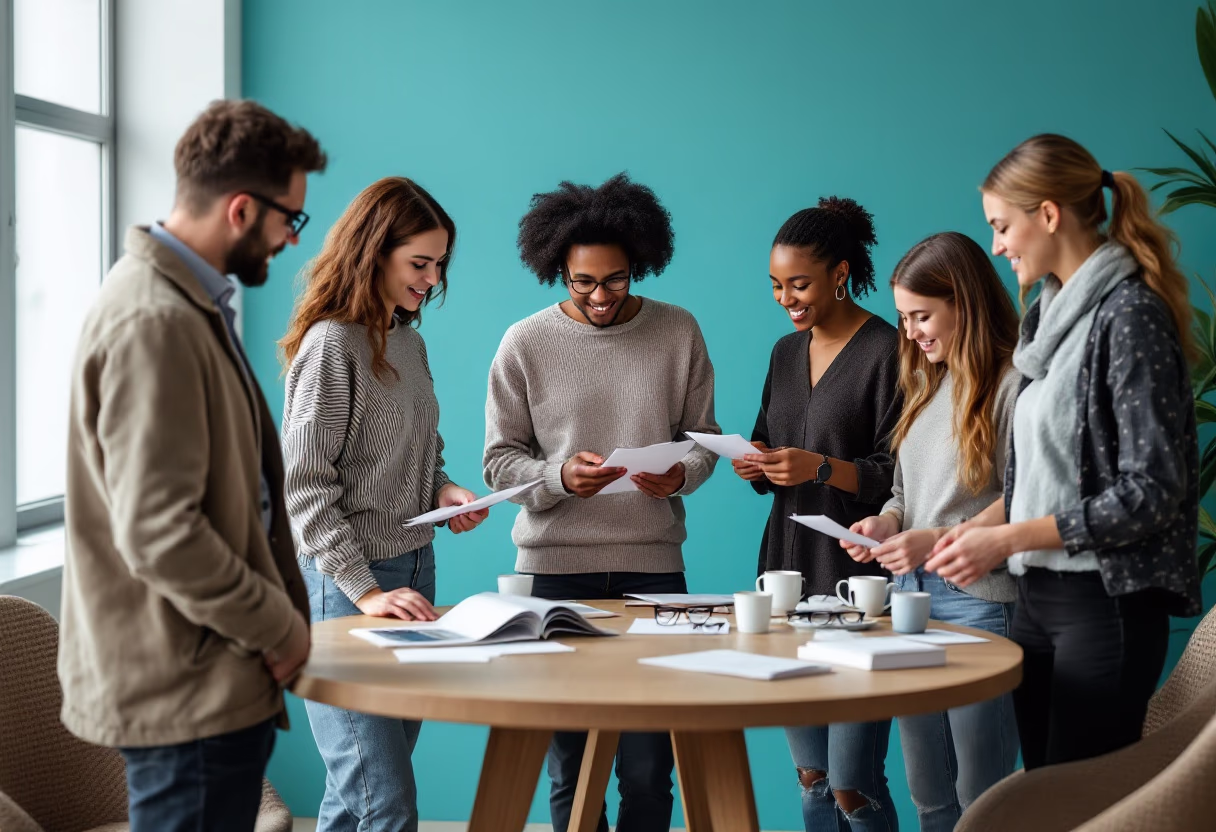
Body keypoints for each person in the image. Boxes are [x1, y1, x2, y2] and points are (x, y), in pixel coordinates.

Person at [60, 100, 326, 831]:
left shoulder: (186, 304)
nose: (290, 238)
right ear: (242, 209)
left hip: (205, 671)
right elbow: (160, 533)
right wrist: (278, 627)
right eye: (290, 219)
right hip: (188, 684)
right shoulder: (156, 320)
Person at [926, 133, 1203, 769]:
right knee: (1043, 796)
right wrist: (976, 534)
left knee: (1081, 801)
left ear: (1048, 214)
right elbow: (1042, 477)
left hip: (1104, 604)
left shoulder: (1130, 316)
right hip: (1038, 600)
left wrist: (1008, 540)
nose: (997, 245)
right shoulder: (1045, 322)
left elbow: (1152, 492)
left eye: (1002, 226)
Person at [483, 172, 719, 832]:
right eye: (581, 281)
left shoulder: (677, 330)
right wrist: (559, 478)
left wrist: (680, 474)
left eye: (615, 279)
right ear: (557, 269)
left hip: (653, 570)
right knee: (572, 762)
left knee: (649, 764)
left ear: (638, 264)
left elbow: (703, 440)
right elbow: (499, 463)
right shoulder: (524, 342)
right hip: (554, 574)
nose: (599, 296)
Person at [280, 177, 488, 832]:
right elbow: (304, 485)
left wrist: (442, 491)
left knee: (356, 800)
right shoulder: (331, 345)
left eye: (439, 265)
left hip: (416, 574)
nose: (432, 280)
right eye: (419, 263)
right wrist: (365, 591)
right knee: (385, 803)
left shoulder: (408, 341)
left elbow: (415, 450)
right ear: (374, 252)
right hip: (347, 587)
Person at [843, 232, 1021, 830]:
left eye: (921, 315)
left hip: (979, 600)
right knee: (929, 791)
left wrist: (936, 539)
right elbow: (904, 492)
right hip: (911, 600)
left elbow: (1028, 497)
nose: (911, 331)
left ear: (963, 303)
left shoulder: (1013, 385)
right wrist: (887, 522)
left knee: (982, 795)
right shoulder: (927, 382)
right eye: (904, 318)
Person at [734, 197, 901, 831]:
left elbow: (897, 473)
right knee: (812, 777)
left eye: (798, 284)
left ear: (839, 274)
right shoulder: (784, 352)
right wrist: (756, 462)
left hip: (856, 574)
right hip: (784, 572)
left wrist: (821, 468)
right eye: (776, 286)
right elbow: (767, 435)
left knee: (854, 785)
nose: (786, 299)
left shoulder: (888, 350)